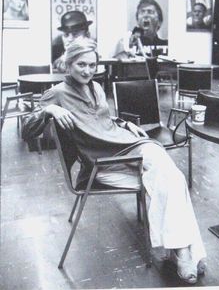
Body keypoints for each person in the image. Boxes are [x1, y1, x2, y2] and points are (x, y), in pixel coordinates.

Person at [22, 37, 206, 284]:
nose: (87, 71)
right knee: (168, 177)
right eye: (81, 65)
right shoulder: (56, 94)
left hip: (127, 147)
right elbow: (26, 130)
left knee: (170, 176)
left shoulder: (96, 87)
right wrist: (49, 110)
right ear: (68, 64)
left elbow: (102, 121)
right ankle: (184, 252)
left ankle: (181, 250)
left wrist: (124, 123)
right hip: (102, 163)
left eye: (91, 65)